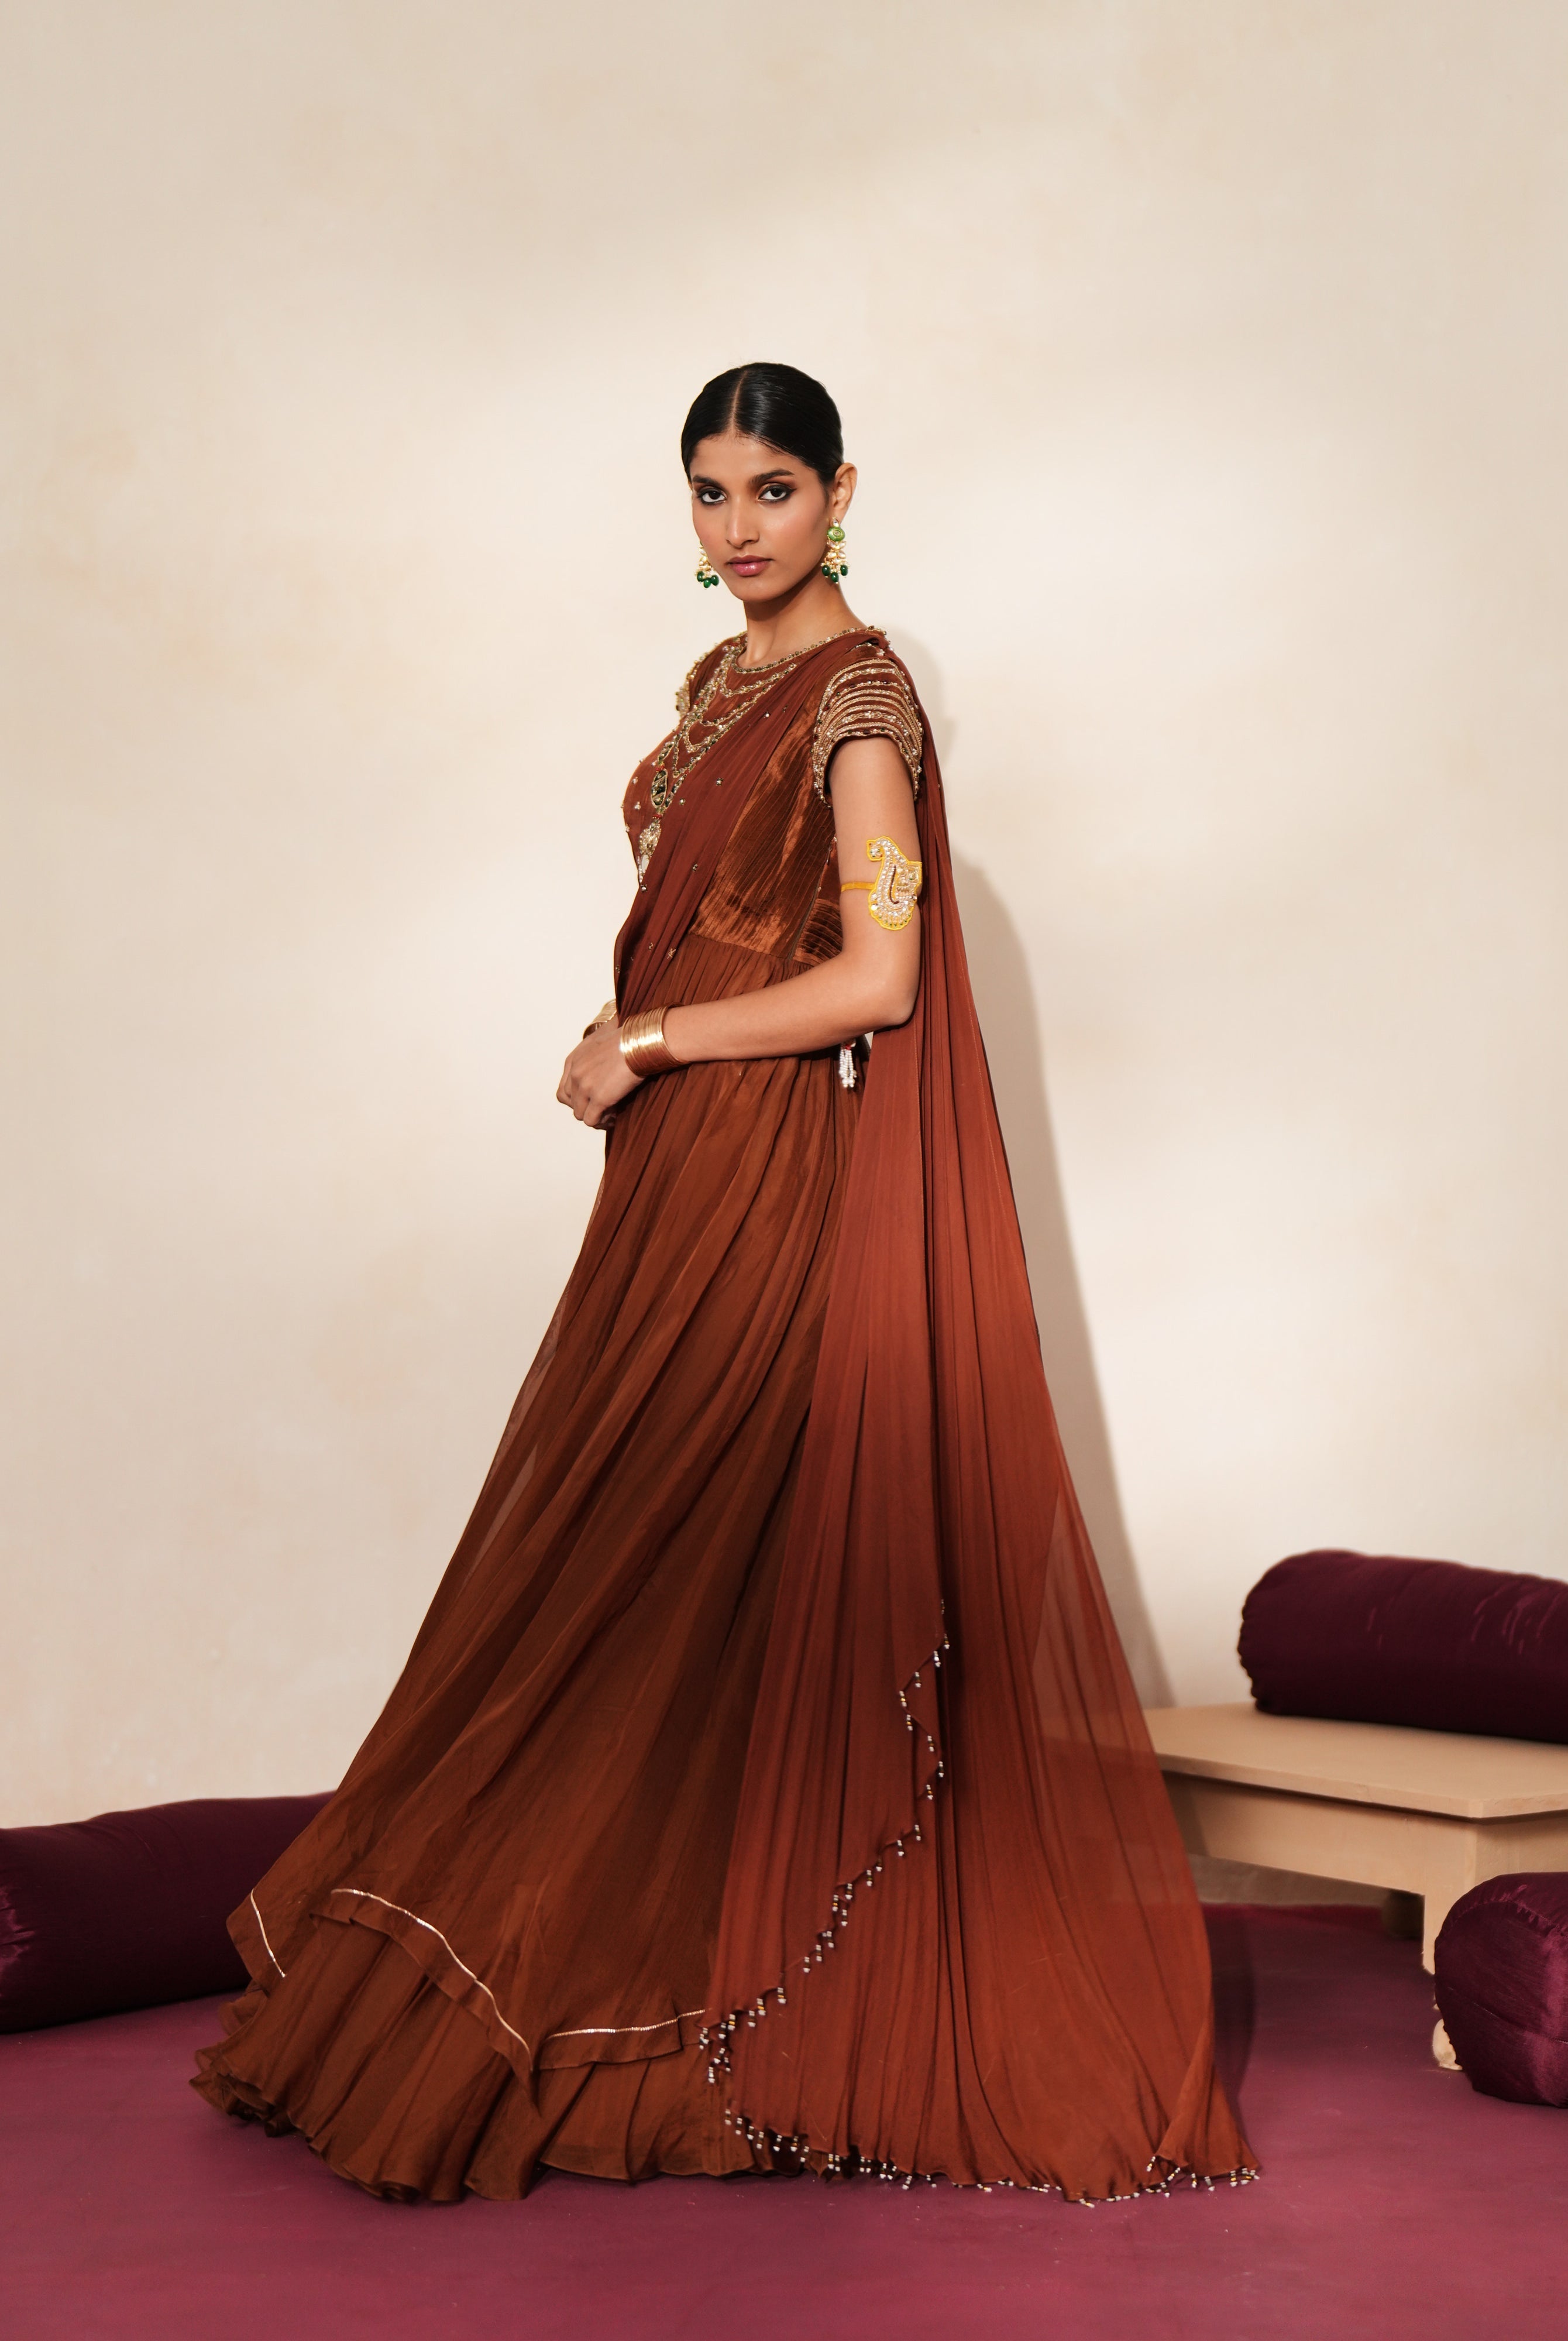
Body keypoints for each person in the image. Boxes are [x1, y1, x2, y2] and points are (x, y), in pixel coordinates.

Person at [194, 362, 1255, 2204]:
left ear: (845, 493)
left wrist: (656, 1035)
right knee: (634, 1567)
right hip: (674, 1169)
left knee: (658, 1562)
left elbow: (880, 986)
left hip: (764, 1172)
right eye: (709, 492)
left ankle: (705, 2012)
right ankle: (651, 1974)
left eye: (773, 488)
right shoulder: (722, 683)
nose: (739, 524)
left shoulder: (861, 698)